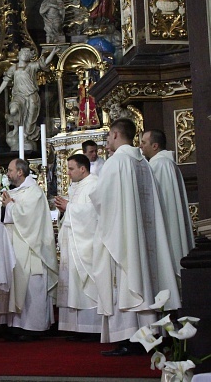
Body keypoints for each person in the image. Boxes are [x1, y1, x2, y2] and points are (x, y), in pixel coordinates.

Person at [90, 118, 181, 355]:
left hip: (125, 237)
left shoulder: (116, 162)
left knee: (128, 281)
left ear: (117, 135)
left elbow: (100, 198)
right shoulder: (144, 163)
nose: (107, 140)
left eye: (109, 135)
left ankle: (129, 338)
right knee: (146, 280)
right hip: (143, 234)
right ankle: (149, 334)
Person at [0, 159, 59, 340]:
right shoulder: (12, 192)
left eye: (10, 170)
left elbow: (28, 218)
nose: (8, 174)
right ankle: (15, 326)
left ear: (20, 172)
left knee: (31, 286)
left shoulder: (34, 192)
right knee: (16, 284)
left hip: (30, 247)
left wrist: (10, 206)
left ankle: (34, 327)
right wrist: (6, 207)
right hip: (13, 246)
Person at [54, 154, 101, 339]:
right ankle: (74, 327)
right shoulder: (76, 187)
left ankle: (90, 327)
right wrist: (64, 210)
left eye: (71, 168)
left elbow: (93, 213)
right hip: (72, 243)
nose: (68, 172)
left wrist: (69, 208)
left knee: (84, 285)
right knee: (72, 285)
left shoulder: (94, 184)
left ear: (83, 168)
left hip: (84, 245)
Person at [140, 129, 195, 275]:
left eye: (144, 142)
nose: (140, 146)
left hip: (166, 223)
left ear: (155, 146)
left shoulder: (160, 165)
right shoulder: (165, 163)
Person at [0, 47, 59, 152]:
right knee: (13, 110)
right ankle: (16, 130)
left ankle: (25, 135)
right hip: (18, 96)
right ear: (19, 55)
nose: (24, 54)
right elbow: (6, 80)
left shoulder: (31, 66)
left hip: (31, 95)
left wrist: (52, 54)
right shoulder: (13, 68)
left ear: (29, 57)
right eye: (23, 52)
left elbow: (44, 63)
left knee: (31, 116)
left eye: (27, 53)